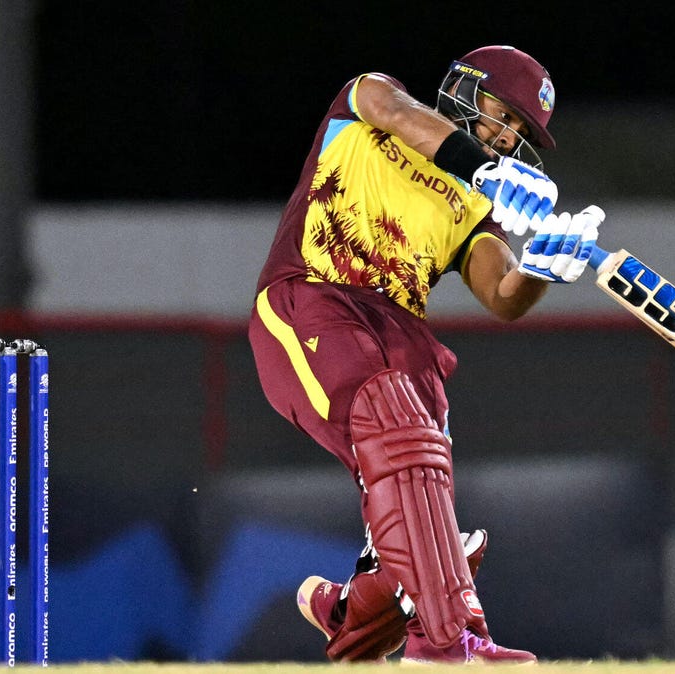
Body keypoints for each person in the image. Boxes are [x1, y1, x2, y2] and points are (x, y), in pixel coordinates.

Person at [247, 45, 603, 664]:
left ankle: (359, 608)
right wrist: (479, 167)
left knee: (422, 440)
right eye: (504, 113)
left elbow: (502, 295)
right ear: (465, 90)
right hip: (310, 297)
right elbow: (391, 109)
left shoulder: (473, 206)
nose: (508, 135)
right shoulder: (369, 100)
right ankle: (440, 643)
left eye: (522, 131)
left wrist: (546, 264)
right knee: (397, 422)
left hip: (394, 335)